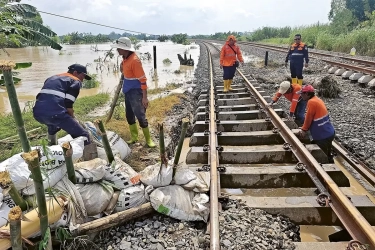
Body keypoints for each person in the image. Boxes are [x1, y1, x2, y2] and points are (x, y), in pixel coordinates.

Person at [111, 36, 155, 148]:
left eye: (119, 48)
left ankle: (148, 140)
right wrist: (122, 67)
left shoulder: (135, 61)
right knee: (129, 115)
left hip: (136, 92)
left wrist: (145, 97)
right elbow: (126, 73)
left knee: (140, 116)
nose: (117, 50)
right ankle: (134, 137)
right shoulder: (125, 58)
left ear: (125, 49)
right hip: (128, 92)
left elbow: (143, 80)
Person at [33, 64, 92, 147]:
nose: (82, 80)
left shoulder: (52, 78)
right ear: (75, 72)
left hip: (38, 114)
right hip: (56, 114)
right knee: (83, 136)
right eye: (83, 76)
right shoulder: (75, 81)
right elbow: (68, 104)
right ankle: (89, 156)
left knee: (53, 127)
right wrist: (72, 117)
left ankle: (51, 147)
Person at [297, 85, 335, 163]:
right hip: (329, 132)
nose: (301, 95)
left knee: (323, 157)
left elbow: (308, 117)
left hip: (322, 135)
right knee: (328, 153)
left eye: (302, 93)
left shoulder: (311, 102)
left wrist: (304, 129)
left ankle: (327, 172)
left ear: (307, 94)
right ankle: (331, 162)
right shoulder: (317, 99)